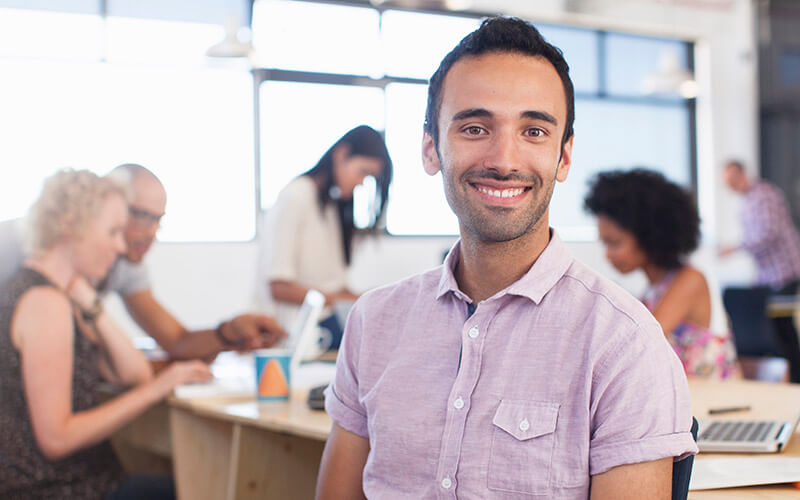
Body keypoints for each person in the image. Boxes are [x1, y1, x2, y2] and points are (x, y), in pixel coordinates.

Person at [316, 17, 696, 499]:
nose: (504, 158)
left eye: (534, 131)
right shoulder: (374, 323)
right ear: (432, 148)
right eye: (475, 127)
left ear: (563, 157)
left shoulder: (623, 343)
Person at [0, 169, 213, 499]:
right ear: (73, 228)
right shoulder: (45, 303)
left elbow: (133, 373)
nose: (119, 246)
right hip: (58, 489)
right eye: (113, 231)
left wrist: (91, 303)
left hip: (82, 482)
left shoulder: (57, 295)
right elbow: (56, 439)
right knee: (205, 489)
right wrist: (162, 386)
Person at [0, 163, 286, 361]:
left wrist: (228, 332)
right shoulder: (16, 241)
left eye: (157, 221)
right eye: (140, 215)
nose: (149, 232)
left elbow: (175, 339)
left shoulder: (122, 264)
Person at [584, 168, 738, 379]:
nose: (607, 255)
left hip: (709, 405)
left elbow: (638, 344)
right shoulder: (651, 291)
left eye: (615, 243)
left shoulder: (690, 280)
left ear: (649, 237)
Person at [261, 125, 392, 345]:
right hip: (287, 334)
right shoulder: (296, 196)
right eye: (363, 172)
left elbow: (334, 285)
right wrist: (350, 300)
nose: (362, 183)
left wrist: (372, 298)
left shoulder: (332, 206)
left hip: (320, 329)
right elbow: (278, 287)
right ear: (341, 154)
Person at [719, 159, 800, 382]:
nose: (729, 185)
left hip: (784, 271)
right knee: (777, 326)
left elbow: (768, 232)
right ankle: (791, 374)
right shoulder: (748, 200)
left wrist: (734, 247)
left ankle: (795, 377)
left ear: (742, 174)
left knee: (782, 325)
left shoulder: (763, 195)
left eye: (731, 179)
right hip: (769, 274)